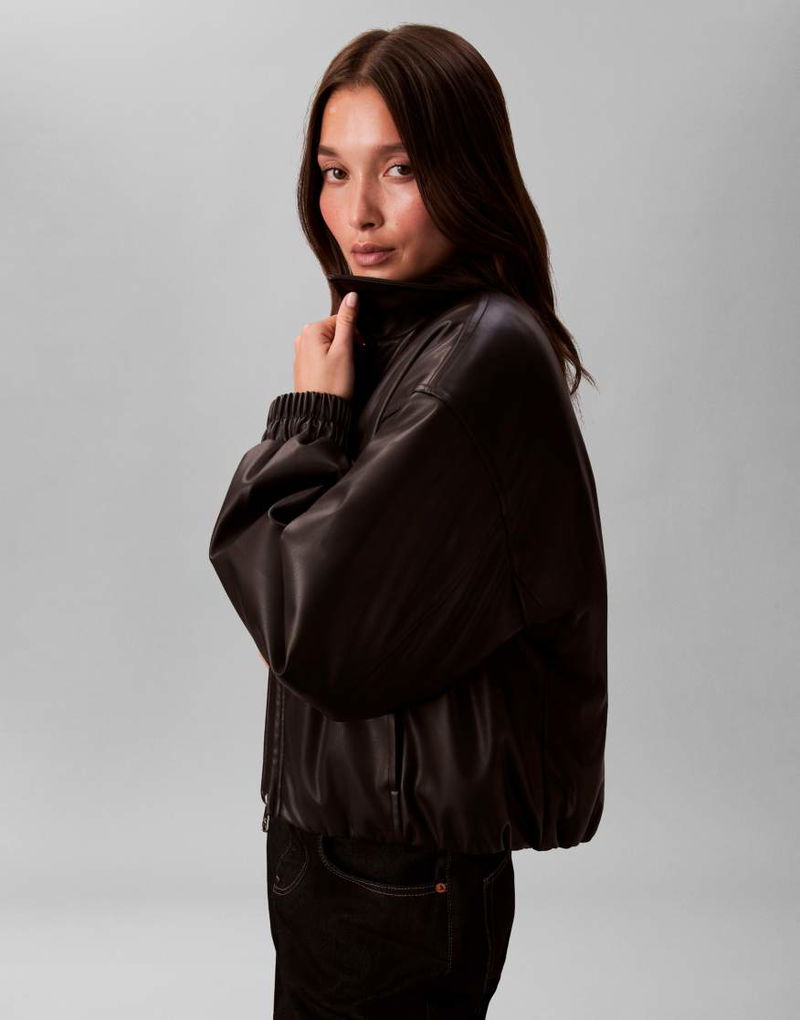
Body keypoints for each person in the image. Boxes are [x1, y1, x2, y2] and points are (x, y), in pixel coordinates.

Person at [208, 23, 608, 1019]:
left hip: (392, 872)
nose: (359, 211)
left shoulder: (475, 361)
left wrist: (307, 419)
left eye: (400, 168)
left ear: (466, 170)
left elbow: (310, 625)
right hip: (346, 848)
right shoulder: (410, 341)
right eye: (333, 172)